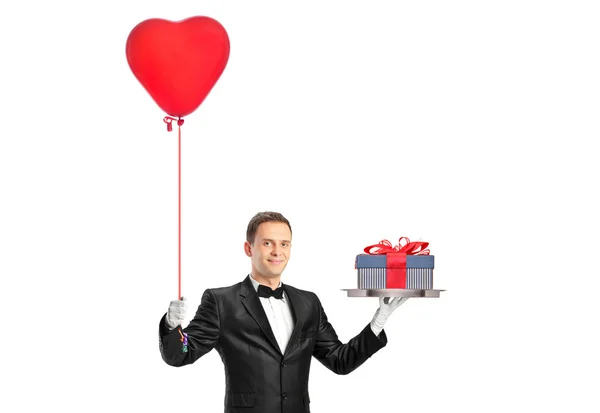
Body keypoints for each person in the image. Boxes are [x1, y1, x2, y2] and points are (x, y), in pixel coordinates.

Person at [158, 211, 408, 413]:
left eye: (284, 244)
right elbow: (181, 353)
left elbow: (339, 361)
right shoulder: (221, 301)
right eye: (268, 243)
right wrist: (172, 327)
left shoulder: (308, 302)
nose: (278, 251)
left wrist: (379, 320)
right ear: (249, 248)